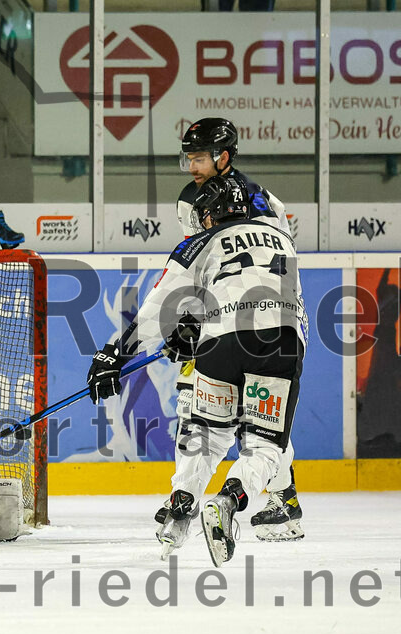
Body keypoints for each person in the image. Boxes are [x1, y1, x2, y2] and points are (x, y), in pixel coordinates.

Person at [87, 175, 306, 566]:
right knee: (263, 444)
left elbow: (161, 304)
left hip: (220, 340)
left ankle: (181, 507)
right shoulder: (282, 236)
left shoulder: (199, 242)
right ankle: (229, 498)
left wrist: (116, 353)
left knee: (205, 430)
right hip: (281, 340)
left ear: (208, 216)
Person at [174, 117, 304, 543]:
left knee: (258, 419)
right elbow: (206, 266)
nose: (191, 166)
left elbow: (267, 260)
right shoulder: (193, 200)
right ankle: (279, 500)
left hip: (259, 313)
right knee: (254, 416)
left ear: (223, 157)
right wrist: (195, 316)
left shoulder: (264, 201)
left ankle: (282, 499)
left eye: (199, 157)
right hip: (236, 314)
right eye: (188, 157)